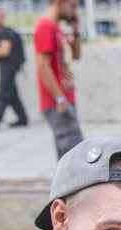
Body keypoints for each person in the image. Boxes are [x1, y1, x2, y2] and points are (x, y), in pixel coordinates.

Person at [35, 0, 83, 159]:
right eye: (73, 6)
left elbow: (76, 55)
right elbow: (43, 66)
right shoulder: (45, 27)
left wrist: (76, 31)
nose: (75, 12)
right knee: (76, 157)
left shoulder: (56, 28)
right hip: (57, 102)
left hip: (64, 99)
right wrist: (60, 98)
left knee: (69, 157)